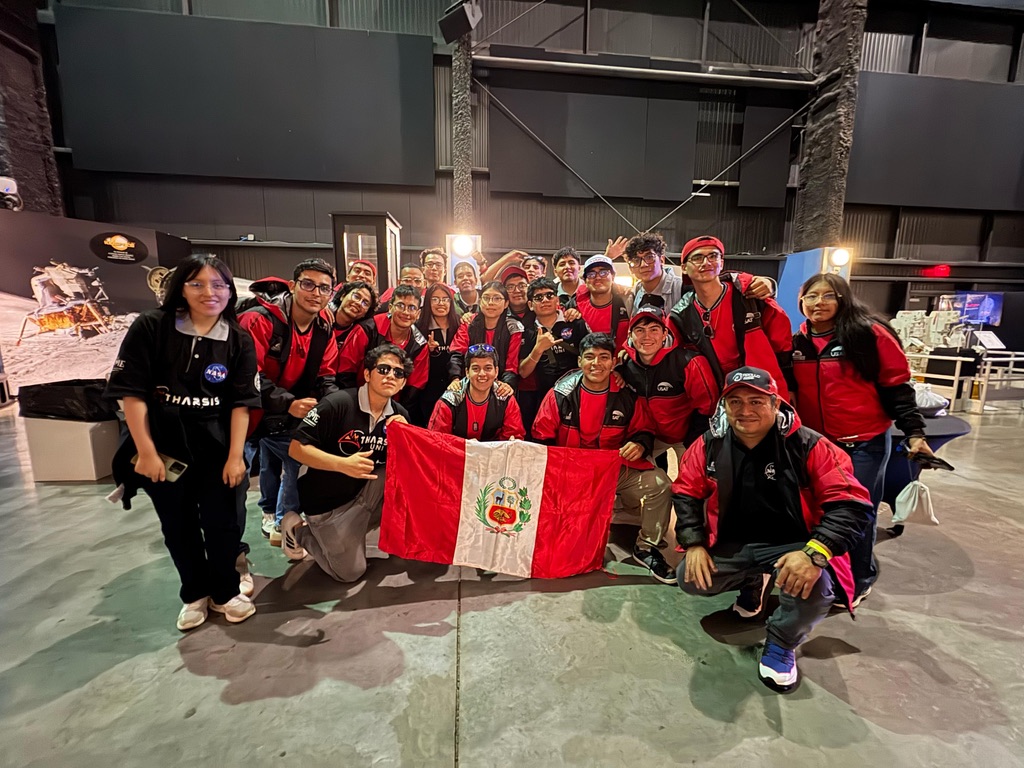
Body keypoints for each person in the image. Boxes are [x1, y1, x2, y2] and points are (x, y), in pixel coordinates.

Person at [673, 366, 872, 693]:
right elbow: (686, 492)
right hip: (734, 541)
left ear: (776, 404)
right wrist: (694, 543)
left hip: (794, 544)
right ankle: (752, 583)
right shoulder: (709, 444)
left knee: (817, 589)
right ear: (724, 407)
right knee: (690, 577)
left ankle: (781, 642)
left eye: (756, 401)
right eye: (735, 402)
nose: (745, 410)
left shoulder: (809, 445)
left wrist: (816, 552)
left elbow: (850, 503)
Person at [106, 255, 261, 630]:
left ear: (230, 291)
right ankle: (194, 593)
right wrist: (145, 450)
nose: (210, 292)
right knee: (178, 525)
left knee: (223, 523)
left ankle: (225, 592)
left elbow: (243, 402)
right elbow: (132, 394)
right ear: (181, 287)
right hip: (164, 444)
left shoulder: (238, 338)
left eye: (219, 284)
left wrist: (236, 456)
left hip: (217, 444)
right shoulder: (153, 327)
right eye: (198, 283)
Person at [793, 273, 935, 606]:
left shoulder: (868, 334)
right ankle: (828, 570)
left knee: (856, 511)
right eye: (811, 297)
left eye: (828, 296)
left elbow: (897, 386)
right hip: (819, 445)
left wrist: (914, 433)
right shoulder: (797, 343)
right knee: (822, 511)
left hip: (864, 443)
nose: (818, 303)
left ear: (843, 299)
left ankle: (858, 579)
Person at [532, 333, 676, 584]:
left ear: (613, 363)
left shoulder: (626, 395)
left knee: (660, 484)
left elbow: (644, 430)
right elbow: (540, 439)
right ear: (579, 362)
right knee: (563, 548)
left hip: (612, 472)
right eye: (589, 357)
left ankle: (647, 547)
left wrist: (640, 444)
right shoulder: (559, 394)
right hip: (570, 474)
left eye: (603, 357)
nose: (596, 363)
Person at [282, 345, 411, 581]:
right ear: (368, 374)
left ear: (402, 383)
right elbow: (296, 448)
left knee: (404, 481)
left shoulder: (399, 415)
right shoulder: (337, 403)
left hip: (365, 496)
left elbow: (407, 467)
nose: (391, 375)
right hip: (327, 507)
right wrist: (342, 464)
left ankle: (352, 535)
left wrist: (405, 436)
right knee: (350, 574)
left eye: (398, 373)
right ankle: (300, 532)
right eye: (384, 369)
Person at [239, 258, 339, 547]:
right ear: (293, 286)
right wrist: (288, 403)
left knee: (298, 459)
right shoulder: (258, 320)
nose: (315, 293)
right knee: (234, 484)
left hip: (285, 414)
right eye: (308, 284)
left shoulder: (323, 329)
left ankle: (282, 521)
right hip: (244, 415)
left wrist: (334, 408)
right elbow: (246, 374)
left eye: (324, 288)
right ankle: (233, 556)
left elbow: (327, 376)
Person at [669, 235, 795, 399]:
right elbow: (665, 348)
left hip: (762, 391)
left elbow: (782, 344)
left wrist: (791, 385)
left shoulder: (750, 297)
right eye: (698, 257)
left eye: (713, 256)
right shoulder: (681, 315)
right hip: (716, 397)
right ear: (684, 268)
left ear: (722, 263)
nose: (706, 263)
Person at [617, 299, 718, 465]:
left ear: (665, 333)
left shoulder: (690, 363)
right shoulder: (625, 366)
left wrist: (693, 443)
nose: (646, 336)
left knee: (693, 480)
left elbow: (708, 408)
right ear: (630, 335)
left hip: (687, 436)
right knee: (629, 468)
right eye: (640, 330)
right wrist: (616, 373)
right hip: (650, 436)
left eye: (654, 329)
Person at [336, 285, 430, 408]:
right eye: (400, 305)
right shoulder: (367, 329)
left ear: (418, 314)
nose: (406, 312)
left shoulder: (420, 345)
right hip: (354, 400)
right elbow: (345, 371)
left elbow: (413, 389)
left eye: (411, 308)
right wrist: (353, 406)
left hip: (392, 407)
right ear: (390, 308)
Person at [518, 277, 590, 429]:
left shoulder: (576, 323)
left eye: (549, 295)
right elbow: (523, 372)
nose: (545, 300)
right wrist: (538, 349)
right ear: (530, 305)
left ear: (557, 299)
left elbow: (591, 356)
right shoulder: (526, 331)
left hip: (579, 395)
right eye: (538, 297)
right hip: (544, 398)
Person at [428, 345, 526, 440]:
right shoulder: (449, 401)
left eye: (488, 368)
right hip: (457, 455)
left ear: (496, 372)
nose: (482, 374)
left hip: (494, 455)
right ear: (467, 372)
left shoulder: (505, 398)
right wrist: (469, 448)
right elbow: (436, 442)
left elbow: (515, 438)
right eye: (476, 369)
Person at [448, 281, 524, 389]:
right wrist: (455, 379)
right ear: (480, 301)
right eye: (486, 298)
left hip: (500, 383)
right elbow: (456, 354)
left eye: (497, 298)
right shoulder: (469, 323)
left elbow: (512, 365)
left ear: (506, 303)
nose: (491, 303)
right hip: (469, 383)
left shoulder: (513, 328)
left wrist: (507, 384)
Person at [412, 282, 460, 425]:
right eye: (435, 299)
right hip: (427, 388)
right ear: (427, 302)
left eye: (445, 299)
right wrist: (428, 351)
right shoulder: (419, 326)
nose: (441, 303)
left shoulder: (459, 323)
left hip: (455, 385)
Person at [568, 255, 631, 351]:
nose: (598, 277)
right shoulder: (576, 306)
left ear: (613, 276)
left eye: (603, 272)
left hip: (621, 364)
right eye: (591, 274)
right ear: (585, 281)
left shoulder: (627, 302)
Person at [625, 232, 684, 315]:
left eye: (649, 257)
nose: (643, 265)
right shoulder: (635, 292)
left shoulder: (681, 289)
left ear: (662, 260)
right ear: (631, 268)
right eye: (636, 260)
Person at [328, 280, 376, 351]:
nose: (359, 303)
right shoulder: (321, 316)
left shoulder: (357, 335)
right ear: (343, 296)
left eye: (365, 303)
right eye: (356, 296)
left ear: (365, 313)